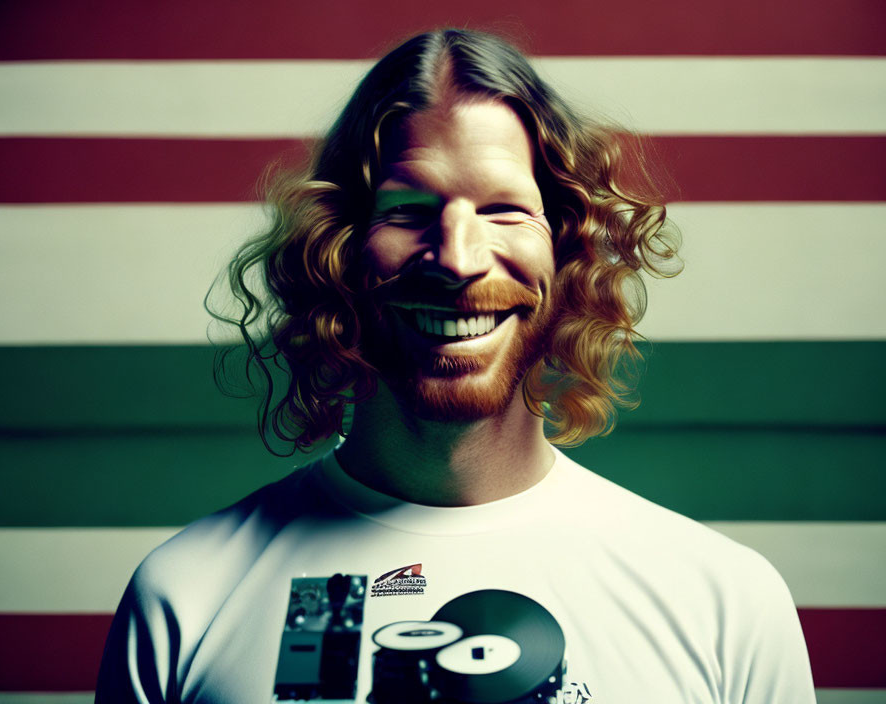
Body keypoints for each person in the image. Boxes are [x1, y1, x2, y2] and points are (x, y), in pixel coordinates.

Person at [96, 29, 815, 703]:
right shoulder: (184, 598)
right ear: (337, 249)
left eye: (504, 210)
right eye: (408, 210)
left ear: (567, 252)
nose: (459, 259)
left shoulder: (724, 602)